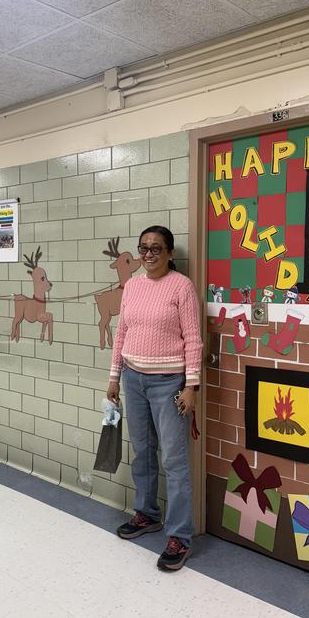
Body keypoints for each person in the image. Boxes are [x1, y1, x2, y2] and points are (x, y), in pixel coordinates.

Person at [107, 225, 202, 571]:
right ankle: (147, 514)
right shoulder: (132, 286)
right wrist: (114, 377)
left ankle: (180, 536)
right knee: (143, 452)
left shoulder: (182, 287)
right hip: (133, 379)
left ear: (170, 253)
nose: (149, 255)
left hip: (169, 384)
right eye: (144, 248)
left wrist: (191, 386)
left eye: (156, 249)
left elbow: (193, 339)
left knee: (174, 461)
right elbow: (122, 333)